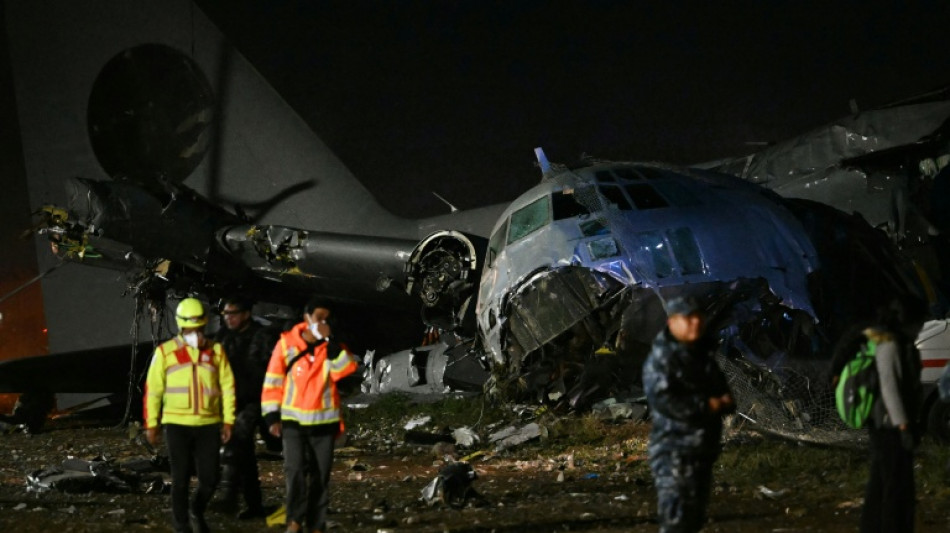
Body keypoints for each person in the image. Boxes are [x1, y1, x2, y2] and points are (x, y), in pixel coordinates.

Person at [261, 297, 358, 533]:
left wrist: (331, 342)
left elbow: (346, 369)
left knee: (320, 477)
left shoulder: (331, 348)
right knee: (294, 472)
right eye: (319, 318)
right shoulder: (287, 344)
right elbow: (272, 381)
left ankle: (316, 524)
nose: (322, 322)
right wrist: (271, 417)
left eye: (326, 318)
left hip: (324, 422)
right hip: (293, 421)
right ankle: (294, 520)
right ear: (307, 318)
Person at [642, 296, 735, 533]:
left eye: (697, 318)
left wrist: (723, 401)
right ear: (672, 323)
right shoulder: (664, 359)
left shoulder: (700, 355)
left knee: (693, 517)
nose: (694, 323)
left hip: (701, 448)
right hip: (676, 450)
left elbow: (721, 389)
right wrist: (708, 406)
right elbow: (665, 401)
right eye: (687, 319)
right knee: (677, 520)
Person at [144, 298, 236, 533]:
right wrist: (152, 424)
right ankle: (181, 525)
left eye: (198, 327)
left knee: (210, 478)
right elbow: (153, 390)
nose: (194, 332)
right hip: (177, 424)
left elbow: (227, 387)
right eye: (189, 327)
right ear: (180, 326)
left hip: (208, 424)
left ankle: (196, 509)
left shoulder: (216, 352)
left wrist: (228, 420)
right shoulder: (165, 352)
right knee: (180, 478)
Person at [858, 298, 923, 533]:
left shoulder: (885, 341)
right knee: (897, 484)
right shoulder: (890, 344)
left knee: (880, 481)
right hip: (889, 426)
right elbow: (890, 387)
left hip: (884, 425)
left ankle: (872, 526)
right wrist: (903, 425)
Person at [212, 296, 277, 519]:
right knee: (242, 453)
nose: (229, 319)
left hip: (259, 400)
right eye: (226, 314)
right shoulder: (223, 337)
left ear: (246, 314)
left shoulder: (262, 336)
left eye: (233, 314)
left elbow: (274, 371)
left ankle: (230, 497)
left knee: (238, 444)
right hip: (234, 402)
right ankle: (251, 504)